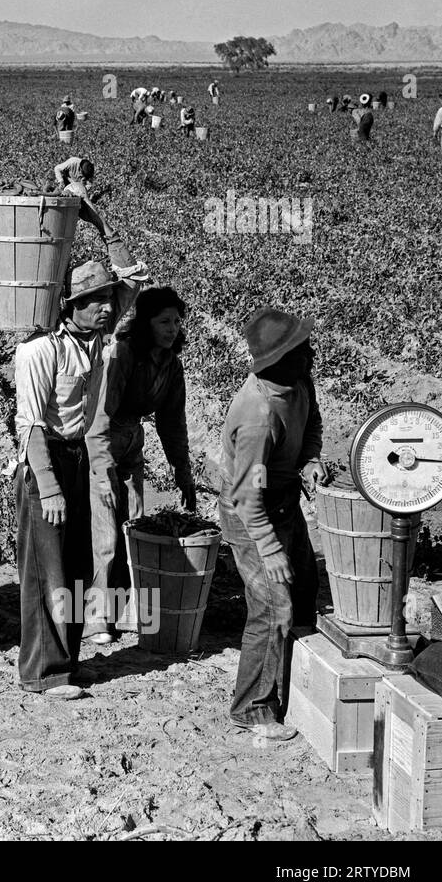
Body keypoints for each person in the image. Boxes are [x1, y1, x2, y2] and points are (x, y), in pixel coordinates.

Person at [14, 213, 149, 700]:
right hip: (44, 461)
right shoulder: (39, 350)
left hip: (77, 456)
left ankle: (66, 663)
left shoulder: (98, 340)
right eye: (95, 301)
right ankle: (43, 672)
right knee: (45, 569)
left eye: (108, 299)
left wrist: (92, 213)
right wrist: (47, 486)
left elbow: (134, 279)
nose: (107, 307)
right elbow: (29, 423)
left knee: (73, 564)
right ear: (72, 306)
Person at [217, 308, 327, 742]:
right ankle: (252, 707)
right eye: (301, 349)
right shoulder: (258, 414)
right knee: (271, 606)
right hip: (250, 512)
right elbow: (246, 496)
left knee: (303, 591)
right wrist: (269, 548)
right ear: (277, 360)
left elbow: (313, 421)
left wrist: (311, 458)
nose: (310, 354)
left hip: (281, 500)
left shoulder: (299, 382)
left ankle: (295, 688)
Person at [86, 287, 196, 642]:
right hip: (103, 440)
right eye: (164, 321)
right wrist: (102, 473)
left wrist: (183, 471)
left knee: (133, 526)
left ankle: (126, 611)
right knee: (104, 532)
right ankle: (95, 619)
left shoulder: (170, 364)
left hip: (132, 442)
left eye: (177, 321)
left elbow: (172, 421)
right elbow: (100, 416)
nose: (173, 328)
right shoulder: (122, 354)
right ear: (146, 322)